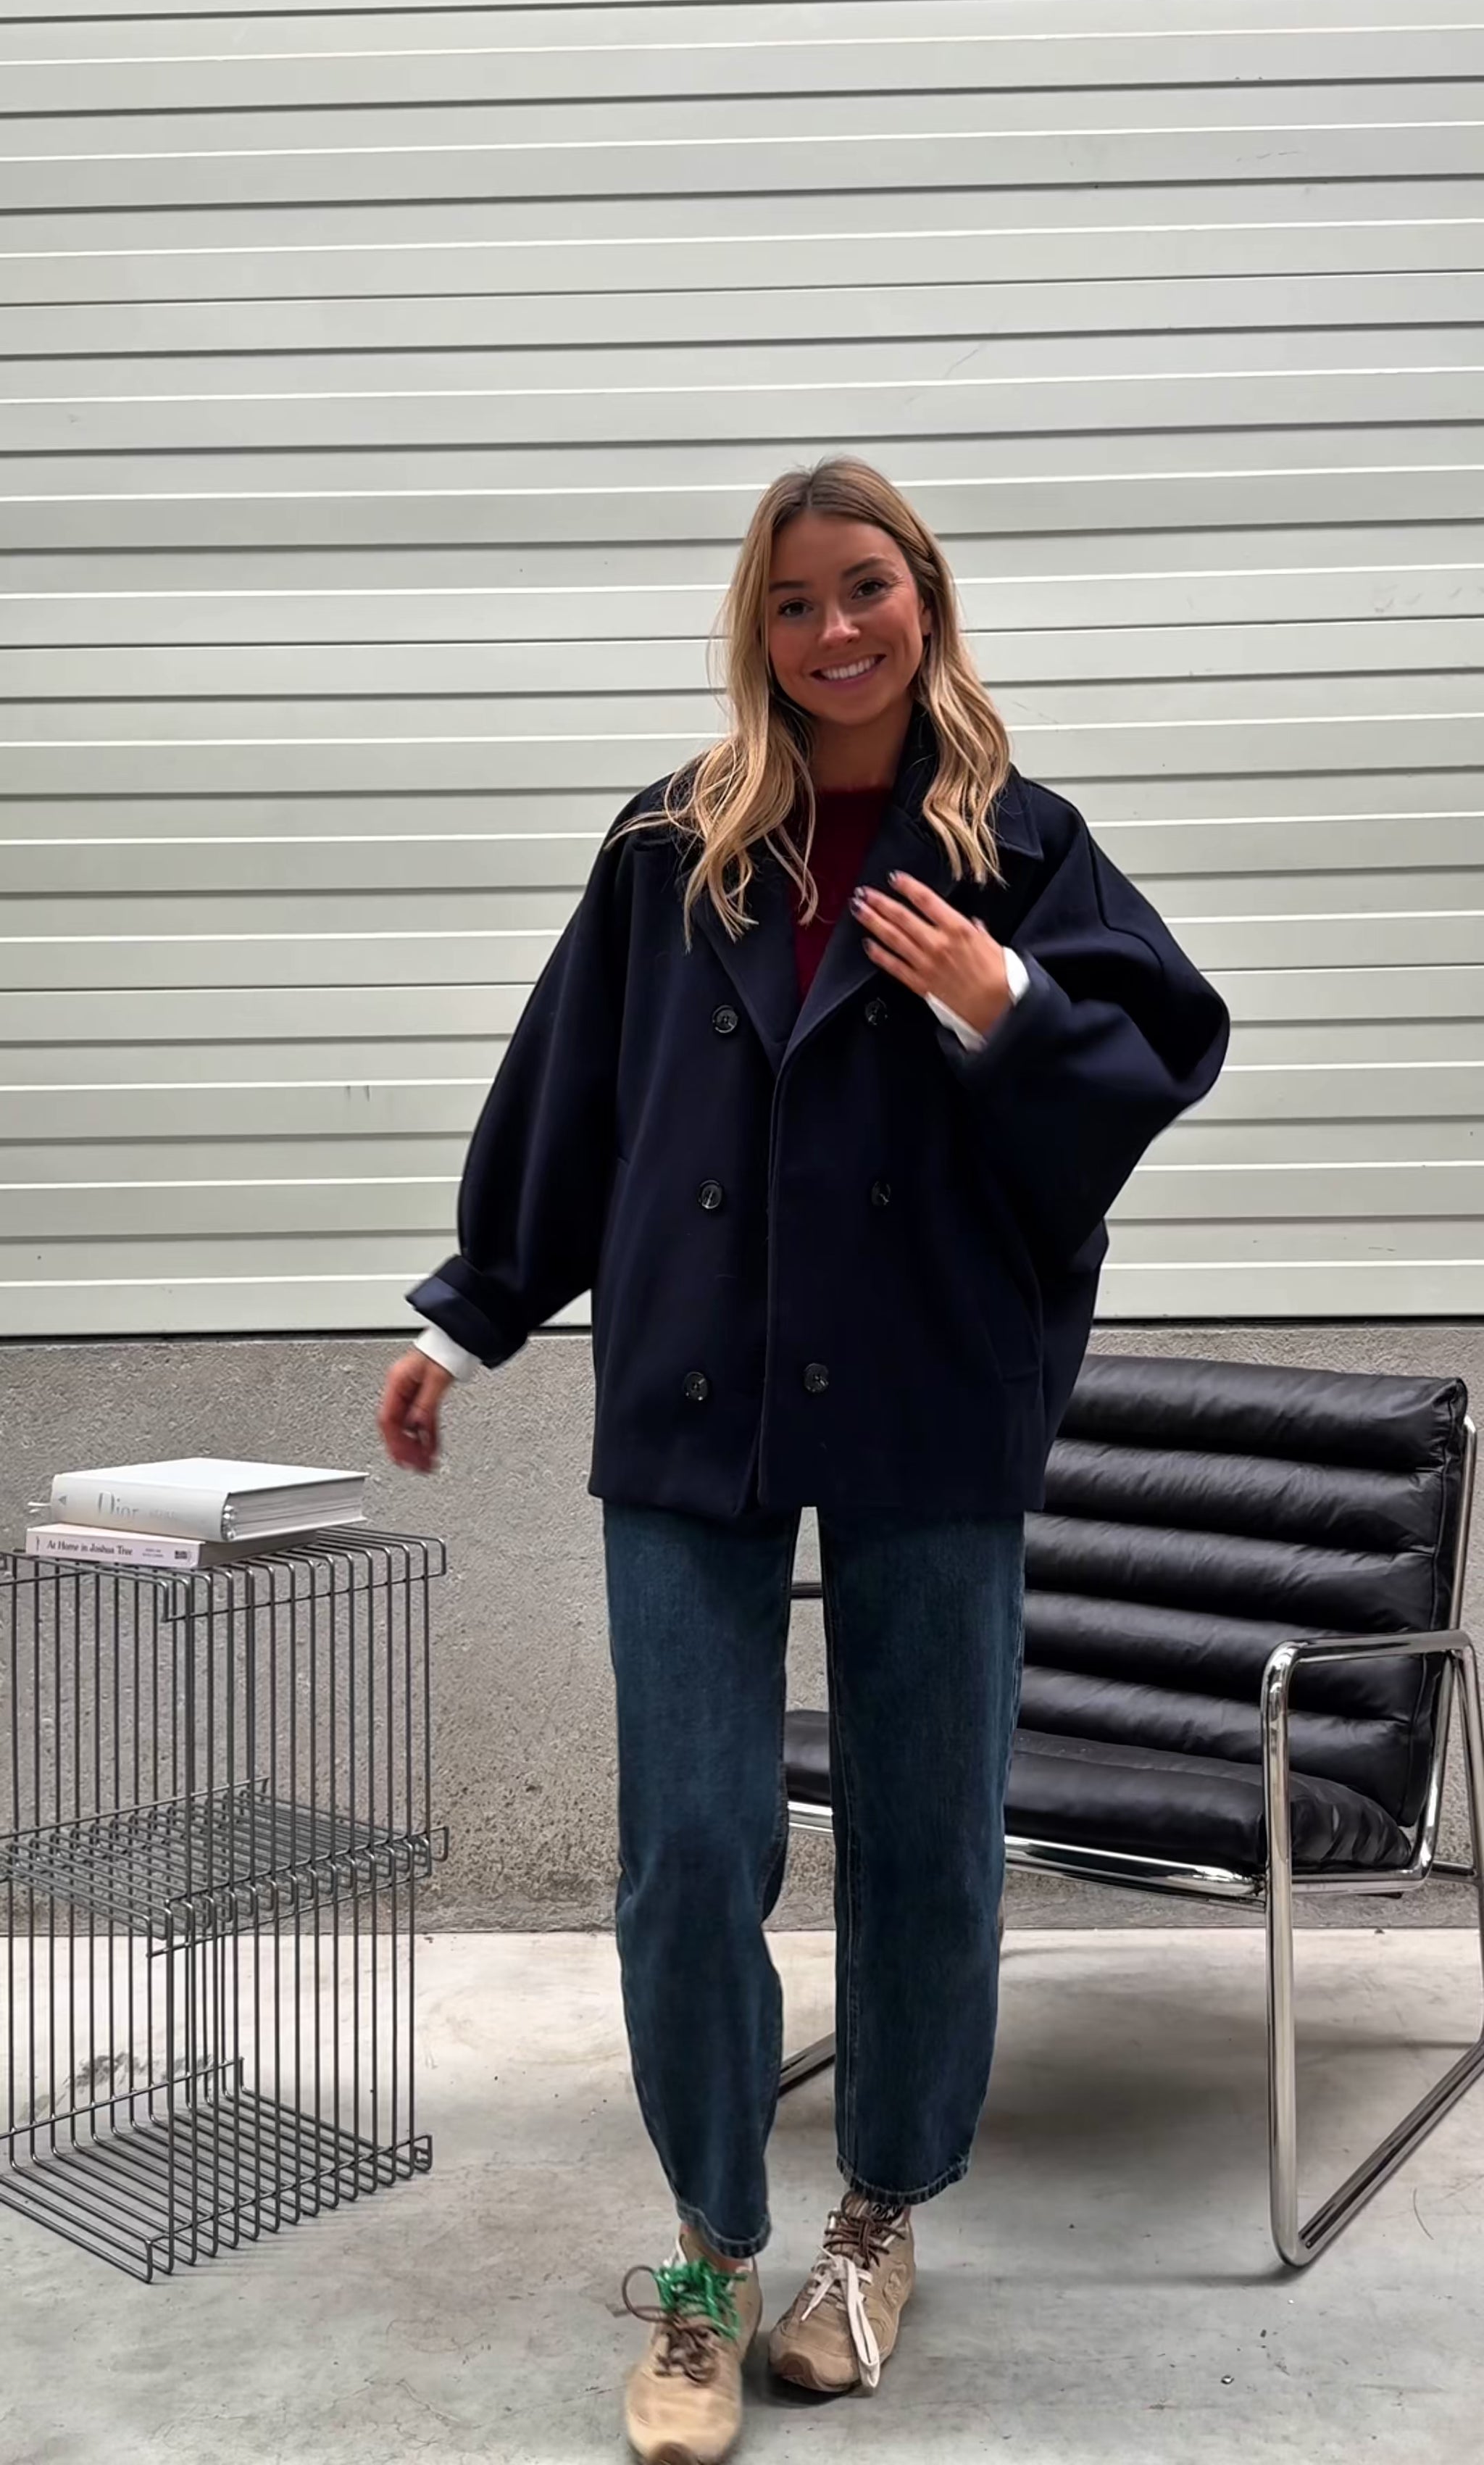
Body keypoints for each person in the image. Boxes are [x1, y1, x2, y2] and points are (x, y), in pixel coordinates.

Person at [378, 457, 1229, 2462]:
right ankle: (708, 2247)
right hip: (696, 1388)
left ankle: (877, 2216)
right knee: (690, 1840)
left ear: (924, 598)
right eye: (793, 601)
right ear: (754, 631)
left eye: (865, 589)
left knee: (928, 1833)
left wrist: (1005, 1002)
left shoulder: (1021, 846)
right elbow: (574, 1094)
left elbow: (1154, 1056)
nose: (834, 630)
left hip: (931, 1383)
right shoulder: (673, 846)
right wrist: (469, 1313)